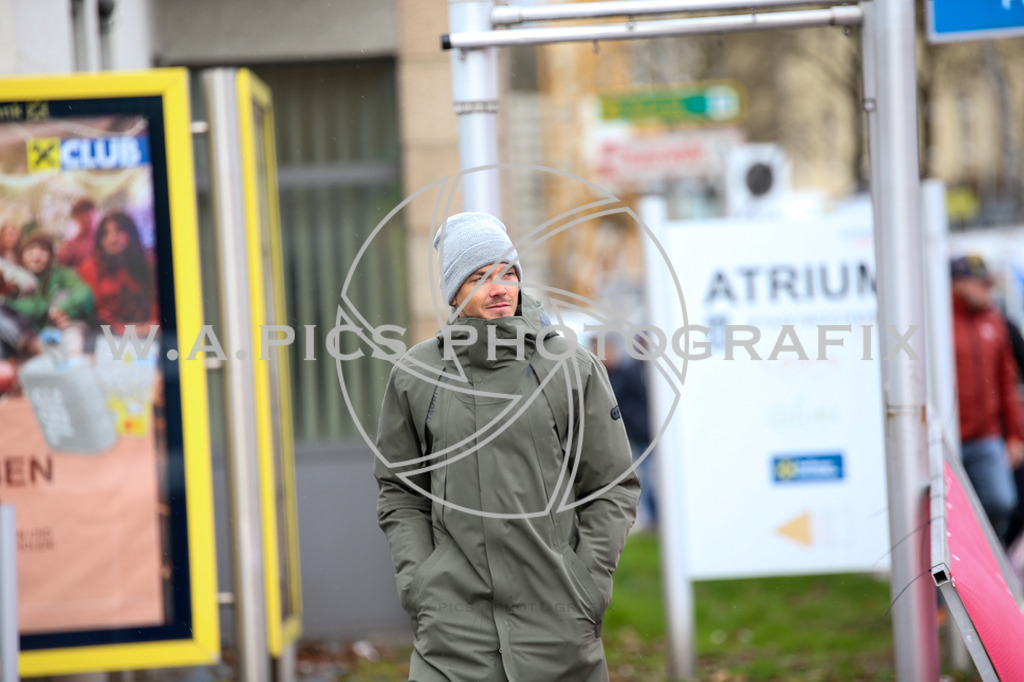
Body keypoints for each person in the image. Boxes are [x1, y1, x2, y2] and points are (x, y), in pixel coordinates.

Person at [374, 212, 640, 681]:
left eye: (507, 272)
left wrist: (587, 584)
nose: (500, 288)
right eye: (479, 277)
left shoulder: (569, 368)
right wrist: (422, 584)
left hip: (558, 632)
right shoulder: (416, 377)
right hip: (453, 638)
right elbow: (400, 493)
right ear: (454, 294)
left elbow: (613, 486)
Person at [951, 254, 1024, 540]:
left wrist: (1015, 435)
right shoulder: (936, 322)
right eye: (981, 284)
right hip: (948, 439)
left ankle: (989, 565)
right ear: (957, 284)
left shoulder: (994, 321)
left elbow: (1006, 382)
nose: (987, 290)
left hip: (986, 436)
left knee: (1001, 501)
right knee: (952, 514)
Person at [591, 331, 657, 530]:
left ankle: (654, 517)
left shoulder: (625, 372)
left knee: (650, 477)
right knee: (645, 477)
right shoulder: (605, 374)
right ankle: (650, 517)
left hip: (642, 434)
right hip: (633, 435)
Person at [8, 231, 94, 355]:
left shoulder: (62, 274)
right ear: (22, 255)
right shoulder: (15, 280)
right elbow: (13, 306)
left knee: (63, 295)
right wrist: (46, 310)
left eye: (43, 250)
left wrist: (61, 309)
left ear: (51, 255)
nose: (36, 257)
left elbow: (84, 294)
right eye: (30, 250)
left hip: (64, 327)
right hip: (29, 336)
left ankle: (73, 356)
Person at [79, 211, 157, 335]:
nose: (112, 239)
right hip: (108, 333)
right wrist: (123, 329)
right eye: (105, 234)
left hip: (148, 330)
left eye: (119, 231)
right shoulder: (90, 267)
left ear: (131, 234)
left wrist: (152, 326)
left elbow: (158, 303)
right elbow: (96, 312)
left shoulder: (150, 262)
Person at [57, 197, 98, 269]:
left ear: (95, 213)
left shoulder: (105, 238)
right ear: (76, 219)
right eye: (82, 216)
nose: (86, 219)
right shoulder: (71, 246)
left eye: (89, 214)